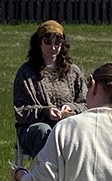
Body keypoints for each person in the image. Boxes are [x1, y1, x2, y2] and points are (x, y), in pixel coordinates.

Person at [11, 20, 88, 160]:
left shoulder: (73, 72)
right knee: (44, 131)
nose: (53, 48)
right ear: (39, 43)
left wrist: (70, 108)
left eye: (57, 43)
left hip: (66, 125)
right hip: (34, 128)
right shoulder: (26, 72)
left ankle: (75, 176)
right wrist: (45, 112)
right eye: (48, 43)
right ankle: (44, 177)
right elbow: (20, 111)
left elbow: (86, 103)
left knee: (77, 130)